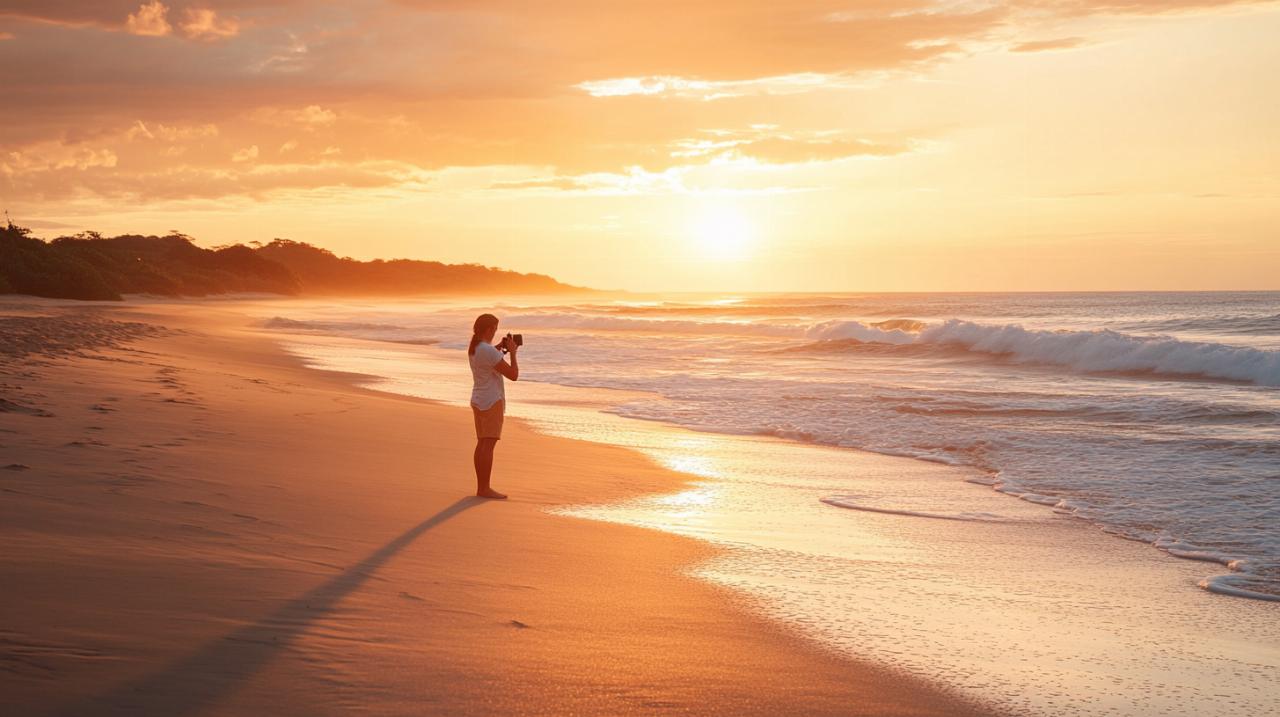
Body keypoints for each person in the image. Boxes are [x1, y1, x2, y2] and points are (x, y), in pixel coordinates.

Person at [467, 313, 518, 499]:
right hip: (491, 401)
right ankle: (484, 488)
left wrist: (500, 349)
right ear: (489, 329)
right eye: (495, 329)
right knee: (488, 446)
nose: (496, 332)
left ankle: (482, 487)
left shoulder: (475, 348)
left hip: (478, 399)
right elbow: (513, 374)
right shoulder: (487, 351)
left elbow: (488, 357)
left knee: (482, 444)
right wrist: (512, 352)